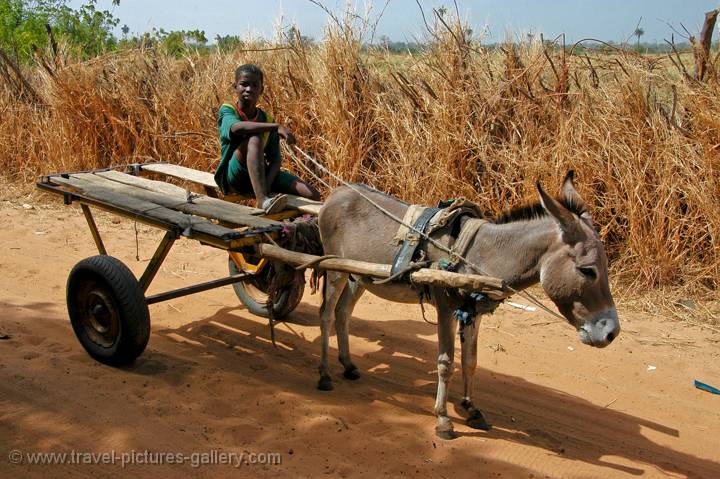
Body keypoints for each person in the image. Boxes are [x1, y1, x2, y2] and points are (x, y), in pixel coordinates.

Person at [215, 64, 320, 214]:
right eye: (244, 84)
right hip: (234, 178)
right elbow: (236, 128)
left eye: (255, 85)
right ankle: (262, 200)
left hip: (261, 177)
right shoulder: (228, 109)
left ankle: (293, 231)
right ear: (235, 86)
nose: (249, 89)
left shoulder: (266, 118)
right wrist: (275, 127)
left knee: (313, 195)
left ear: (261, 90)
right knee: (255, 139)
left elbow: (275, 160)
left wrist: (268, 185)